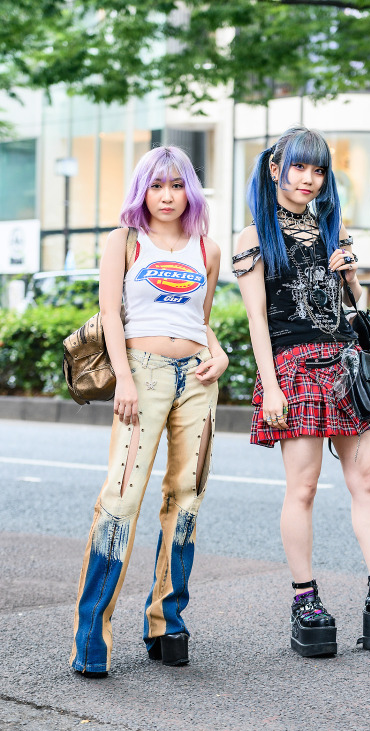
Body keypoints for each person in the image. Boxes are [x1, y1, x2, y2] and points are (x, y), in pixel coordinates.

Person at [233, 126, 370, 657]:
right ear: (276, 168)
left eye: (318, 170)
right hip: (294, 366)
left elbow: (355, 305)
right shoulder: (254, 238)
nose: (309, 179)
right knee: (302, 487)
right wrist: (271, 387)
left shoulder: (333, 232)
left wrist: (353, 278)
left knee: (366, 482)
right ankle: (306, 601)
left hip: (347, 364)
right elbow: (257, 319)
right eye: (300, 167)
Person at [70, 146, 228, 677]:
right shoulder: (124, 240)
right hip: (143, 373)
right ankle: (92, 635)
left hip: (198, 379)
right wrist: (126, 378)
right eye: (156, 186)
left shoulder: (208, 248)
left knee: (186, 495)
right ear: (143, 191)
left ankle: (168, 622)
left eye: (177, 185)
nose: (167, 196)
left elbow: (197, 317)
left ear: (190, 191)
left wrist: (219, 349)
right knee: (122, 495)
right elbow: (111, 315)